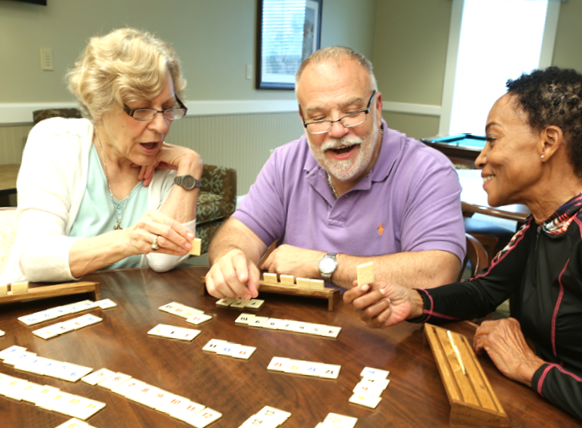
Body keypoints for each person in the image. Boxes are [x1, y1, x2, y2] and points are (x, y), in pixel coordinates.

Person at [345, 67, 582, 428]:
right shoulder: (549, 219)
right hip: (552, 423)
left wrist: (530, 368)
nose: (480, 157)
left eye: (492, 139)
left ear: (548, 143)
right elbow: (485, 290)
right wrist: (414, 301)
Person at [205, 46, 465, 299]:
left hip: (387, 336)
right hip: (297, 330)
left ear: (377, 107)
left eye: (352, 112)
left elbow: (438, 274)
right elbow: (239, 233)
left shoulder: (429, 170)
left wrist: (324, 264)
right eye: (318, 117)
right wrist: (231, 257)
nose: (337, 130)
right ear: (302, 118)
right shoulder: (285, 161)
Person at [1, 28, 201, 284]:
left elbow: (164, 260)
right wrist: (128, 240)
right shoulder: (56, 141)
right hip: (38, 309)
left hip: (122, 315)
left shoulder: (168, 167)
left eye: (167, 108)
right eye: (141, 109)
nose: (161, 126)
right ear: (100, 106)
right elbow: (34, 258)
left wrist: (191, 165)